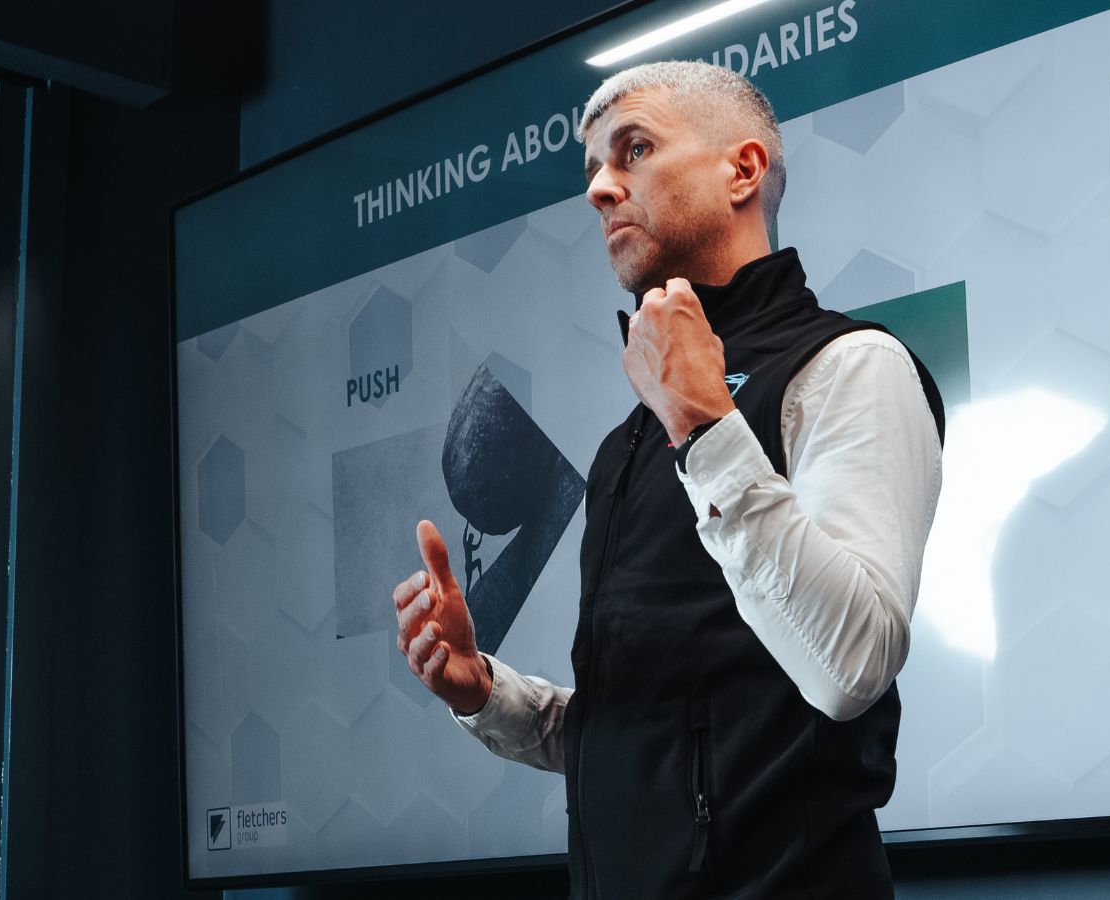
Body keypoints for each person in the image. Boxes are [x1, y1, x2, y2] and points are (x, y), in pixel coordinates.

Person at [390, 60, 944, 898]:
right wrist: (483, 690)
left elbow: (851, 667)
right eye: (592, 171)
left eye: (634, 150)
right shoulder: (629, 442)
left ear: (743, 170)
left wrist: (704, 426)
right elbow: (654, 728)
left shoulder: (849, 367)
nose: (600, 190)